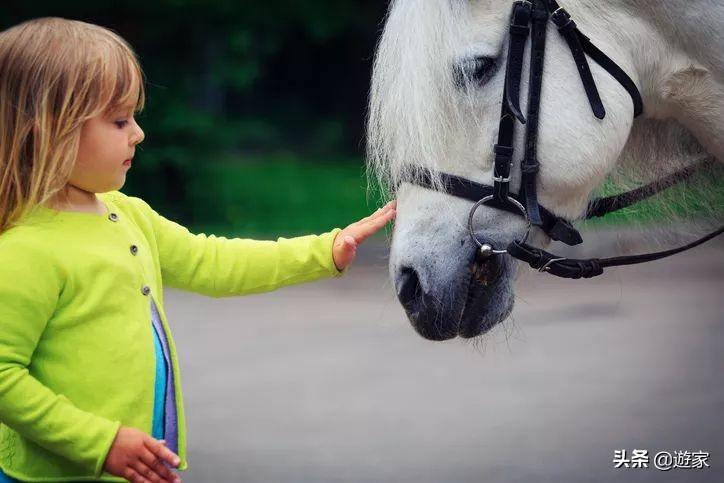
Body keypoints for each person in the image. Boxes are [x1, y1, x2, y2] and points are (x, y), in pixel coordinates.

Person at [0, 17, 395, 483]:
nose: (138, 134)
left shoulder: (127, 214)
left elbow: (212, 262)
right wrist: (98, 443)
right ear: (50, 129)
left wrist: (324, 250)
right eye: (119, 120)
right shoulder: (24, 250)